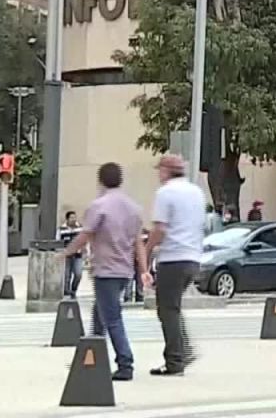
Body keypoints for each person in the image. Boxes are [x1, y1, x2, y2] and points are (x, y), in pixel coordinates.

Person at [62, 163, 144, 381]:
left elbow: (85, 234)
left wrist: (67, 252)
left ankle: (125, 363)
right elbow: (138, 243)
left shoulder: (99, 206)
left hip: (106, 269)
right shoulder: (133, 208)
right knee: (100, 314)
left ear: (100, 180)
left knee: (112, 318)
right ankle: (92, 355)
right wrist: (143, 270)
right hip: (125, 270)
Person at [143, 154, 205, 376]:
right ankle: (182, 350)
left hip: (173, 258)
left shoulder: (165, 192)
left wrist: (147, 251)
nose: (158, 174)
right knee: (174, 308)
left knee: (167, 310)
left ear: (167, 170)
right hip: (193, 258)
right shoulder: (197, 192)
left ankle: (175, 361)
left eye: (160, 170)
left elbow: (160, 228)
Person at [58, 211, 84, 297]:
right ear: (67, 219)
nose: (73, 219)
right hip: (67, 256)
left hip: (78, 255)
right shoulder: (61, 229)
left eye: (74, 217)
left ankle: (74, 289)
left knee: (78, 274)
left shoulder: (80, 228)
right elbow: (58, 242)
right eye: (71, 218)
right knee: (66, 276)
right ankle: (67, 292)